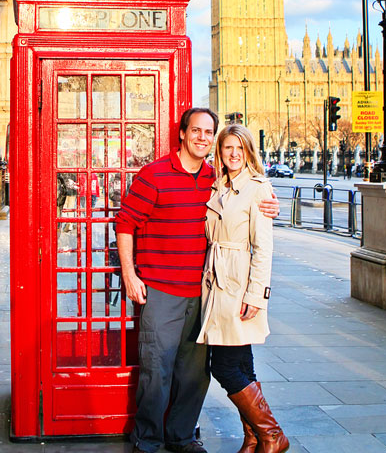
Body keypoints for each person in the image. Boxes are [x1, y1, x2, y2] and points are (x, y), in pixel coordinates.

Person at [115, 108, 280, 453]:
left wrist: (269, 203)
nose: (202, 137)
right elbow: (125, 224)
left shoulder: (214, 180)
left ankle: (182, 436)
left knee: (194, 376)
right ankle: (147, 440)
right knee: (155, 372)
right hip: (160, 291)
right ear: (182, 133)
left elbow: (249, 200)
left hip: (205, 295)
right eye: (196, 131)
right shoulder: (154, 174)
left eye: (209, 132)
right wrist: (130, 275)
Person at [197, 124, 289, 453]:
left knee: (223, 367)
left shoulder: (258, 189)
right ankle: (254, 437)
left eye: (240, 148)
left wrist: (256, 296)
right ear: (219, 152)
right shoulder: (216, 186)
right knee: (243, 366)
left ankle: (273, 434)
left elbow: (263, 249)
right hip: (214, 281)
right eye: (227, 148)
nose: (234, 154)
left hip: (237, 284)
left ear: (249, 151)